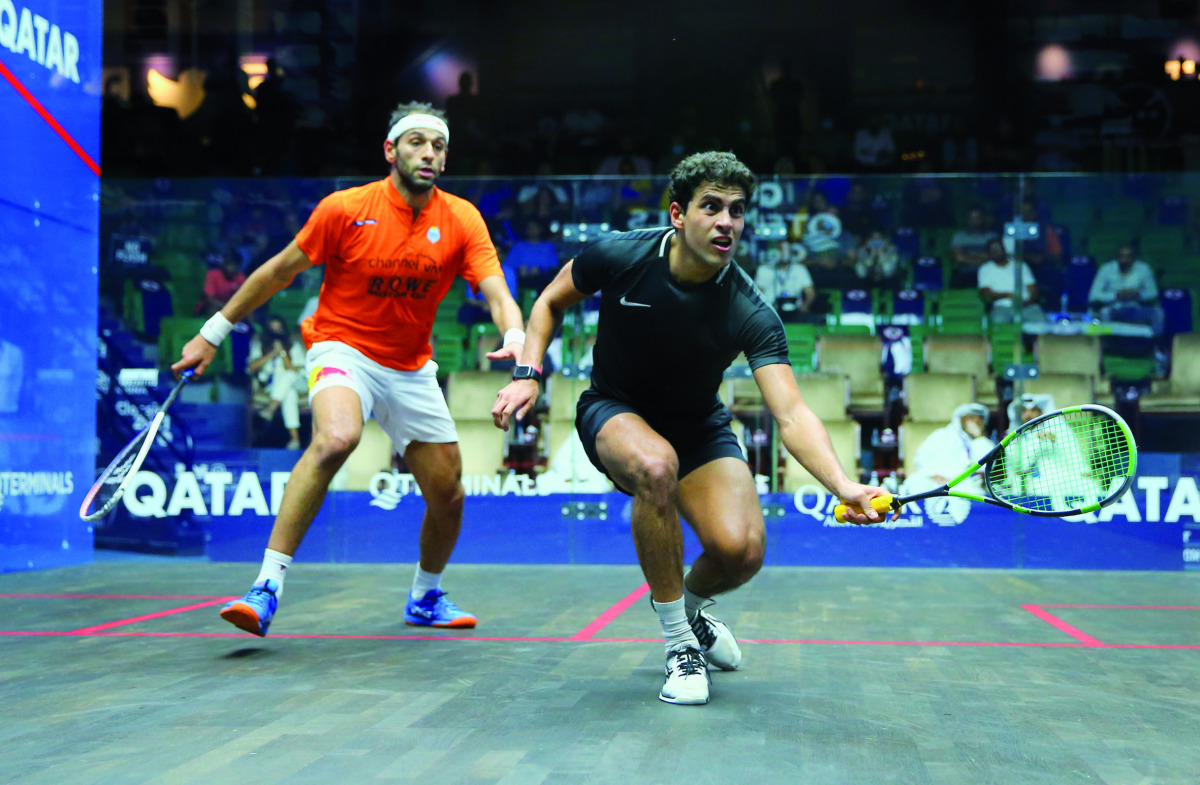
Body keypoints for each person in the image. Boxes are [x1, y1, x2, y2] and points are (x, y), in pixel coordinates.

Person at [491, 151, 889, 706]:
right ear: (678, 214)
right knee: (656, 466)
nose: (727, 221)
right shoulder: (620, 254)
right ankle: (680, 643)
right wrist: (529, 373)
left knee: (741, 552)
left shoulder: (750, 310)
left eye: (736, 210)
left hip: (699, 426)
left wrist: (844, 486)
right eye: (711, 207)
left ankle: (692, 611)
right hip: (615, 408)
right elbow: (551, 302)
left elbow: (792, 413)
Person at [172, 102, 525, 636]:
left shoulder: (462, 219)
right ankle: (266, 585)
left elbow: (497, 292)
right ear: (390, 150)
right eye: (416, 142)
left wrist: (517, 341)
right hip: (343, 348)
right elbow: (277, 273)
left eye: (438, 146)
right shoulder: (344, 208)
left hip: (409, 367)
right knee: (338, 438)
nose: (428, 153)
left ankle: (425, 597)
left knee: (449, 493)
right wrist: (211, 333)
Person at [1002, 394, 1101, 508]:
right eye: (1024, 411)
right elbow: (1019, 467)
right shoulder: (1015, 440)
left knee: (1090, 487)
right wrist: (1035, 441)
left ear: (1041, 412)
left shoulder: (1058, 430)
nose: (1028, 415)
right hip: (1035, 487)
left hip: (1064, 481)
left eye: (1033, 410)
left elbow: (1073, 456)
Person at [908, 403, 994, 520]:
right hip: (934, 480)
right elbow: (921, 458)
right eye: (971, 418)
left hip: (963, 483)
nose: (976, 421)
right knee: (914, 484)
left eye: (979, 419)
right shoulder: (940, 435)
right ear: (961, 420)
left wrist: (978, 436)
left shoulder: (979, 442)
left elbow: (987, 465)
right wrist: (932, 475)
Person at [248, 316, 306, 449]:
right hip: (272, 386)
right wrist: (272, 354)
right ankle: (294, 439)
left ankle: (270, 408)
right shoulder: (260, 346)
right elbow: (251, 367)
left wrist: (283, 353)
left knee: (288, 375)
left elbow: (293, 369)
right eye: (273, 329)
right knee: (289, 394)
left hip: (296, 383)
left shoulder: (294, 346)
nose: (276, 332)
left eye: (279, 328)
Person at [1087, 245, 1164, 335]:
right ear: (1117, 257)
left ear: (1133, 258)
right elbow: (1093, 296)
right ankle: (1107, 345)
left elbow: (1153, 293)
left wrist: (1138, 294)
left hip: (1137, 307)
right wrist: (1116, 295)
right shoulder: (1106, 269)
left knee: (1158, 313)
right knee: (1104, 312)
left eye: (1128, 257)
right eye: (1121, 256)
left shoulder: (1143, 269)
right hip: (1114, 307)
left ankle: (1155, 345)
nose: (1124, 260)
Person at [978, 238, 1045, 325]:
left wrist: (1027, 302)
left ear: (1005, 249)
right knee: (998, 321)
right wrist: (1007, 295)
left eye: (998, 248)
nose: (996, 251)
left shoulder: (1021, 265)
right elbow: (985, 293)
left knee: (1040, 321)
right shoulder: (985, 269)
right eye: (992, 249)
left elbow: (1033, 290)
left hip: (1027, 306)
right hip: (1002, 307)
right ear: (988, 253)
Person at [753, 241, 816, 321]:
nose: (784, 254)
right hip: (771, 311)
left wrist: (805, 305)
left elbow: (810, 292)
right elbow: (757, 293)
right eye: (782, 251)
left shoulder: (800, 269)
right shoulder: (764, 269)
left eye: (787, 251)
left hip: (795, 310)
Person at [949, 206, 998, 288]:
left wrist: (970, 255)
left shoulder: (993, 236)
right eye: (971, 218)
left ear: (983, 219)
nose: (974, 221)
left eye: (977, 218)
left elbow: (994, 257)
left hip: (989, 273)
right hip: (966, 274)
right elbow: (959, 258)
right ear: (966, 220)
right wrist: (983, 257)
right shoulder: (959, 237)